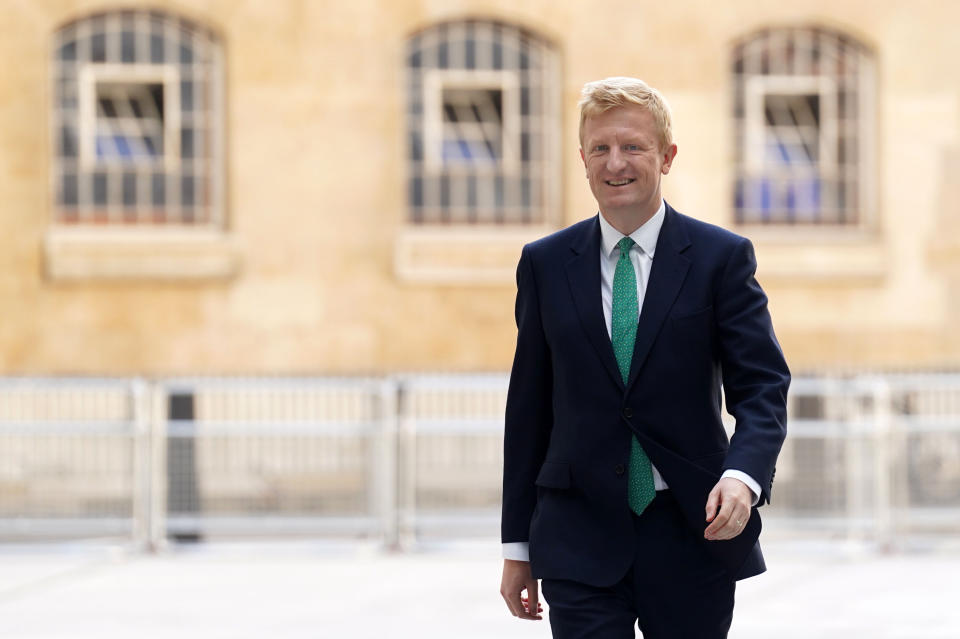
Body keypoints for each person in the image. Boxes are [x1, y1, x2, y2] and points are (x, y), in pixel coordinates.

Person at [499, 77, 790, 638]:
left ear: (667, 156)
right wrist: (517, 545)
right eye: (601, 148)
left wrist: (743, 475)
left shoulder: (720, 258)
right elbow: (529, 410)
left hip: (692, 527)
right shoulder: (544, 263)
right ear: (582, 159)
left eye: (633, 147)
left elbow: (762, 386)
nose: (616, 163)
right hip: (577, 532)